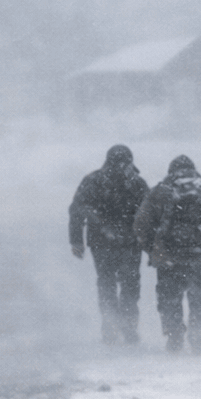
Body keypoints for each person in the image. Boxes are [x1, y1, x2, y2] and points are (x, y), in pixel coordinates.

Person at [134, 155, 201, 353]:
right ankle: (199, 337)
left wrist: (153, 248)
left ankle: (174, 336)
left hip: (169, 258)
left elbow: (141, 224)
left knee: (169, 299)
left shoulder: (160, 192)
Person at [69, 145, 150, 343]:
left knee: (106, 283)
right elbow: (150, 214)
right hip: (130, 243)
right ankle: (129, 327)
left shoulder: (92, 180)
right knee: (130, 285)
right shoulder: (137, 183)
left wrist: (77, 241)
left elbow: (77, 211)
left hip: (101, 243)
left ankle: (110, 327)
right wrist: (151, 244)